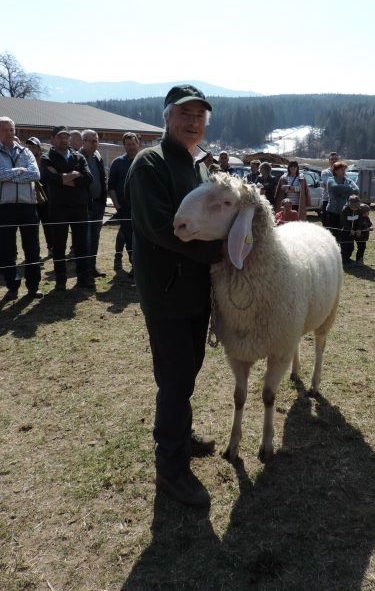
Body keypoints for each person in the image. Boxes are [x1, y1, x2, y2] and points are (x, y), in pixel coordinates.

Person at [125, 85, 223, 508]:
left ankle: (180, 436)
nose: (193, 121)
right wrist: (219, 252)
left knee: (188, 370)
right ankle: (171, 466)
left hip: (196, 289)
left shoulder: (199, 167)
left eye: (200, 116)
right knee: (175, 376)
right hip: (166, 291)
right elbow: (160, 227)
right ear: (167, 117)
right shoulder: (151, 163)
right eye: (185, 113)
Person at [40, 126, 94, 291]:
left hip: (79, 206)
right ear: (53, 139)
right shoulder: (47, 157)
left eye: (66, 136)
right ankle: (61, 281)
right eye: (60, 137)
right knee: (59, 245)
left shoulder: (79, 156)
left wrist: (64, 179)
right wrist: (74, 175)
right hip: (58, 208)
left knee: (82, 244)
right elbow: (50, 178)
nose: (64, 139)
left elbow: (88, 178)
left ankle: (84, 278)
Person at [0, 117, 42, 300]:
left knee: (32, 247)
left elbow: (36, 174)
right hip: (5, 207)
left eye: (12, 129)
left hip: (28, 205)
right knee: (7, 249)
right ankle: (12, 285)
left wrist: (10, 175)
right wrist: (20, 171)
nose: (10, 133)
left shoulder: (26, 152)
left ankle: (33, 286)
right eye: (6, 130)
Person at [108, 132, 140, 275]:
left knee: (142, 237)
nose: (131, 147)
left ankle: (142, 266)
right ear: (124, 145)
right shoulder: (117, 163)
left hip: (142, 208)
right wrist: (116, 205)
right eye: (128, 144)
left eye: (133, 144)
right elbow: (111, 186)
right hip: (124, 208)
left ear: (138, 144)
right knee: (129, 237)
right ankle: (135, 266)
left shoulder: (144, 160)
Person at [80, 129, 107, 277]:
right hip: (85, 205)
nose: (94, 143)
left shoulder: (98, 156)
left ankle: (92, 267)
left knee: (95, 237)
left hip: (98, 204)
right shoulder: (78, 157)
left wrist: (103, 199)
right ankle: (84, 270)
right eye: (91, 140)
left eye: (96, 140)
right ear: (83, 141)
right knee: (85, 238)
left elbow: (102, 178)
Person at [26, 136, 52, 256]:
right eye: (29, 147)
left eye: (33, 147)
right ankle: (34, 252)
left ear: (38, 148)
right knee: (33, 227)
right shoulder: (24, 160)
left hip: (45, 197)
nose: (31, 149)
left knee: (47, 224)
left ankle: (51, 247)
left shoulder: (45, 160)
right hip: (30, 198)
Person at [325, 161, 359, 246]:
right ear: (335, 171)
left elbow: (357, 191)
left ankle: (343, 256)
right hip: (333, 212)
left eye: (344, 169)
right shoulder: (330, 180)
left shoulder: (349, 180)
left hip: (345, 212)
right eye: (341, 169)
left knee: (344, 235)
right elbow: (335, 188)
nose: (344, 171)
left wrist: (342, 191)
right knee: (333, 235)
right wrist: (348, 190)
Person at [340, 195, 373, 266]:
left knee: (351, 247)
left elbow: (360, 220)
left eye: (356, 207)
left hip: (355, 230)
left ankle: (347, 259)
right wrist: (350, 229)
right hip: (345, 230)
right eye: (353, 207)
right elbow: (344, 222)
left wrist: (359, 229)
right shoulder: (345, 210)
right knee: (346, 246)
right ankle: (344, 261)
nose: (354, 209)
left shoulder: (359, 210)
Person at [320, 151, 339, 227]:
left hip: (338, 201)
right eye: (332, 159)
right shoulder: (325, 172)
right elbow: (330, 185)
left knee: (337, 223)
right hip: (327, 200)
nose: (334, 160)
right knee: (326, 223)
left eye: (335, 159)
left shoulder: (343, 172)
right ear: (329, 161)